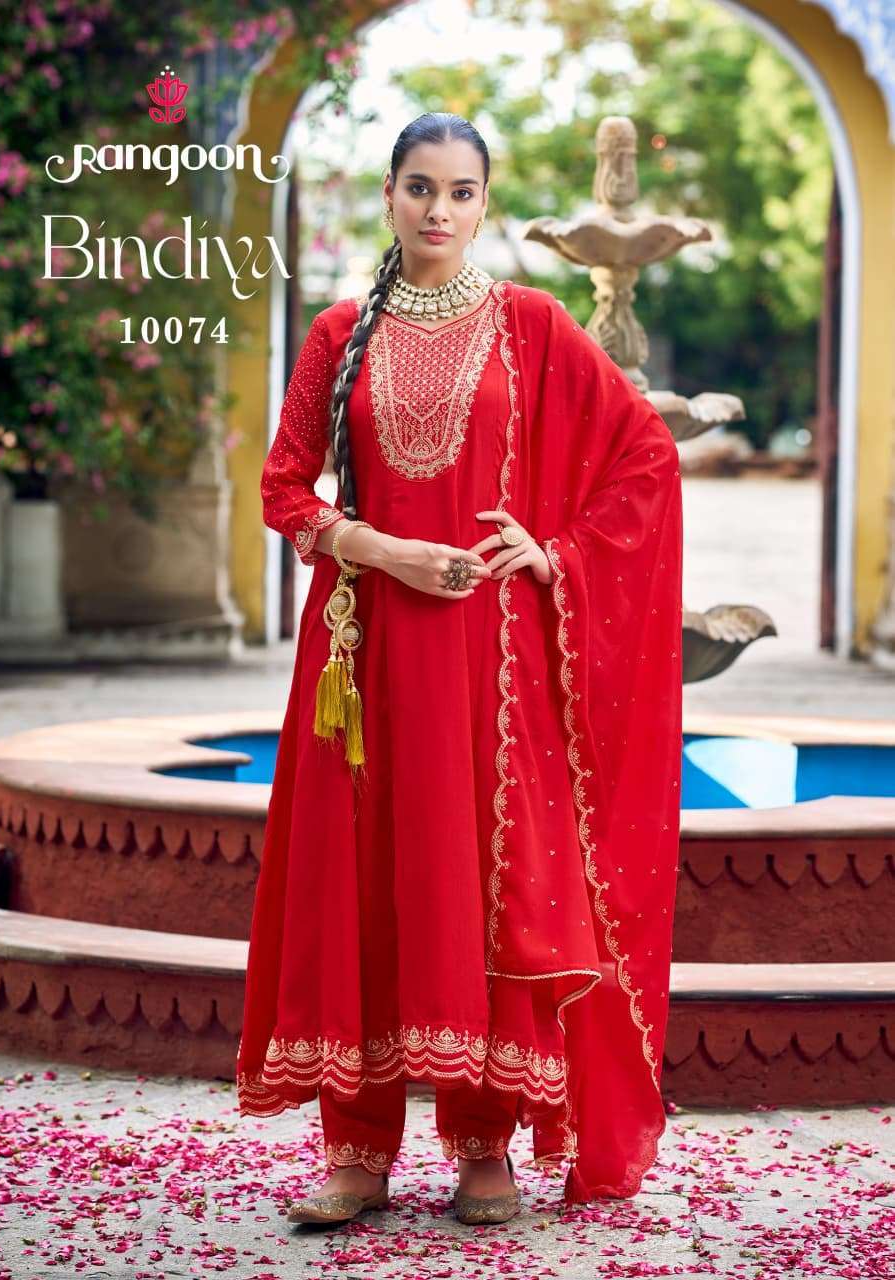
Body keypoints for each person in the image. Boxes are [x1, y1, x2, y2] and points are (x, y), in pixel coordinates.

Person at [235, 111, 684, 1226]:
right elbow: (284, 488)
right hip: (361, 655)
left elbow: (643, 452)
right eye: (420, 187)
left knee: (488, 877)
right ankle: (357, 1149)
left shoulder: (532, 324)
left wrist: (555, 551)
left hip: (493, 657)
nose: (439, 208)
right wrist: (381, 549)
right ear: (389, 195)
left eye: (461, 191)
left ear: (484, 204)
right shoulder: (338, 332)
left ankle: (486, 1143)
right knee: (363, 875)